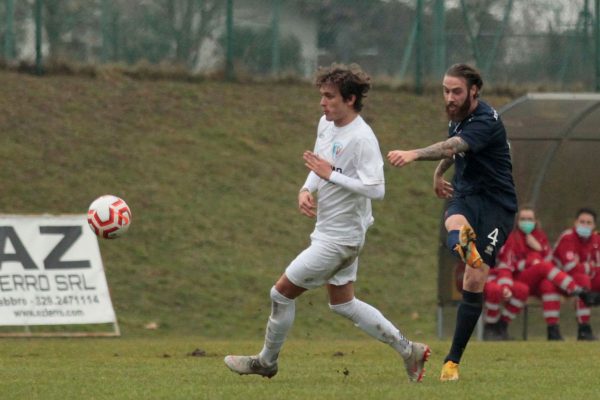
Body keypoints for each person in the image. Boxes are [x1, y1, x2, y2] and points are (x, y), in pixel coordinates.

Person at [224, 64, 430, 383]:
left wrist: (330, 176)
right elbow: (320, 164)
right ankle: (409, 350)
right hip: (336, 233)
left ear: (349, 99)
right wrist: (308, 188)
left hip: (340, 239)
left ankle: (266, 361)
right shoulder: (326, 123)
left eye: (329, 97)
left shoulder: (362, 138)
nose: (322, 103)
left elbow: (376, 188)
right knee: (343, 303)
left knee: (280, 294)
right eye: (322, 96)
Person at [387, 63, 517, 381]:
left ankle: (452, 362)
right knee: (454, 221)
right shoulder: (458, 117)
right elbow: (455, 150)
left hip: (497, 205)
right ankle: (463, 242)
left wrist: (416, 155)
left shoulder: (486, 120)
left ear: (474, 91)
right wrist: (438, 174)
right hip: (467, 194)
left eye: (456, 91)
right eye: (445, 90)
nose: (449, 96)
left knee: (474, 281)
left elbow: (453, 146)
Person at [485, 206, 588, 341]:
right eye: (523, 219)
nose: (526, 222)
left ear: (535, 221)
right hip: (518, 277)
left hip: (536, 282)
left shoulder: (540, 236)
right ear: (517, 221)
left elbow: (550, 261)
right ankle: (574, 288)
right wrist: (529, 262)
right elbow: (507, 265)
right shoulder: (511, 237)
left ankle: (553, 331)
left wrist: (537, 248)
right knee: (542, 267)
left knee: (548, 285)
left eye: (529, 219)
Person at [553, 207, 600, 340]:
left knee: (585, 279)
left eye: (588, 223)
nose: (584, 225)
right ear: (575, 223)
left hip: (584, 280)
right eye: (582, 221)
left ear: (594, 225)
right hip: (560, 282)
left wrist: (584, 266)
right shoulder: (567, 237)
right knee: (582, 280)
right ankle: (583, 329)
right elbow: (570, 268)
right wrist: (590, 267)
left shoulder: (597, 239)